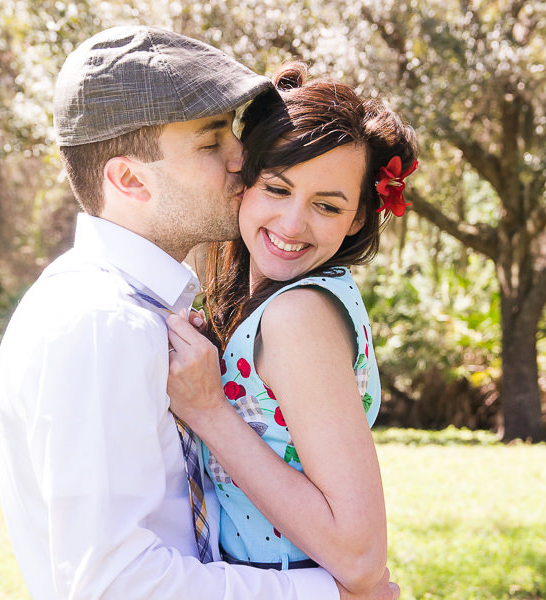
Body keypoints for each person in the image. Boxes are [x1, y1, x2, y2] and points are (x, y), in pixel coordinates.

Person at [0, 26, 399, 600]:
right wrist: (330, 594)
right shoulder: (103, 325)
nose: (241, 158)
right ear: (130, 179)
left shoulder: (147, 311)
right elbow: (115, 587)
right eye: (211, 144)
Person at [165, 63, 418, 596]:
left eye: (327, 205)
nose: (292, 225)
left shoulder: (298, 315)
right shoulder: (264, 297)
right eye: (277, 189)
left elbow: (360, 554)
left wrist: (207, 409)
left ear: (356, 219)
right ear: (244, 183)